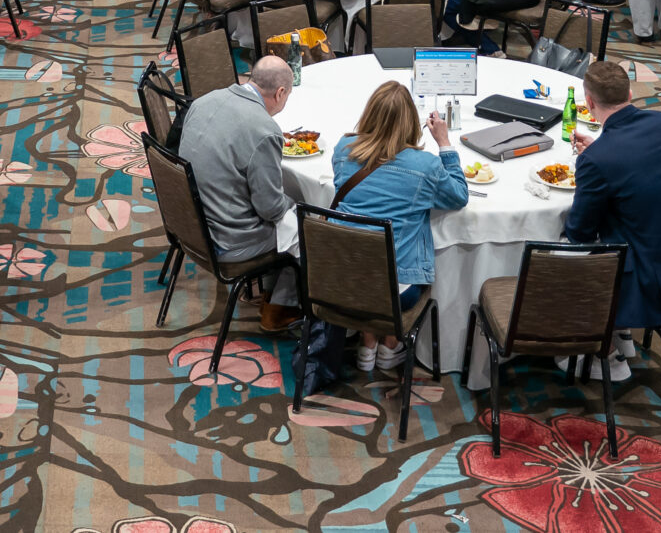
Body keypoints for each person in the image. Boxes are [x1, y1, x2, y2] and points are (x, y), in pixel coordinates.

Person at [561, 60, 661, 382]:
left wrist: (596, 160)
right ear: (630, 93)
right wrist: (600, 153)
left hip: (651, 280)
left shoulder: (597, 160)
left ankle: (602, 347)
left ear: (588, 103)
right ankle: (620, 331)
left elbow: (580, 232)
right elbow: (643, 166)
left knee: (562, 252)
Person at [328, 82, 470, 369]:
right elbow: (459, 196)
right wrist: (444, 144)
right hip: (395, 292)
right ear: (411, 121)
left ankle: (367, 342)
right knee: (394, 264)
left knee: (365, 245)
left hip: (340, 280)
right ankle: (390, 344)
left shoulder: (344, 149)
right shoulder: (424, 166)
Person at [181, 55, 301, 330]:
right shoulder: (264, 130)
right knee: (308, 224)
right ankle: (279, 309)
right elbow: (270, 208)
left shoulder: (205, 100)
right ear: (281, 92)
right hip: (230, 239)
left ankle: (269, 292)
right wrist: (296, 204)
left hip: (195, 224)